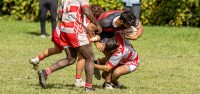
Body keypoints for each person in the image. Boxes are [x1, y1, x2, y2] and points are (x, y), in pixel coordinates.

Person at [29, 4, 104, 87]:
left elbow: (60, 16)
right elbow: (88, 28)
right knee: (85, 56)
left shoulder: (69, 3)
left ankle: (45, 71)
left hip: (64, 30)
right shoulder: (87, 14)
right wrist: (96, 40)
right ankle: (82, 82)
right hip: (72, 32)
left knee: (70, 58)